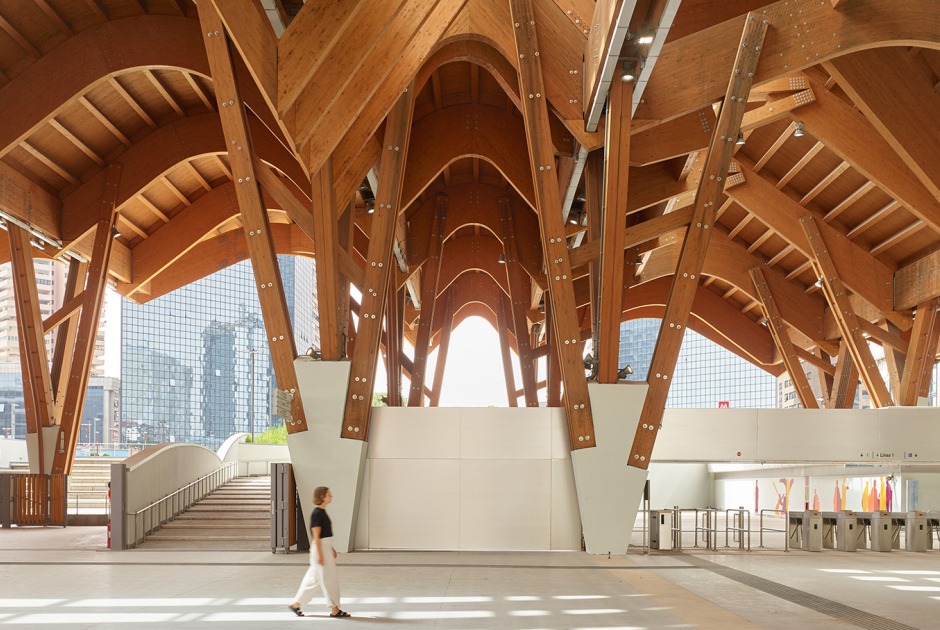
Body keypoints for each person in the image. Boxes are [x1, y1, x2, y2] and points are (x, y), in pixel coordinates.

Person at [288, 486, 350, 618]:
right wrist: (321, 554)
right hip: (320, 549)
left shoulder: (322, 511)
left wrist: (330, 548)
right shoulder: (317, 513)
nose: (331, 496)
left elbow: (324, 535)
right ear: (322, 496)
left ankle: (296, 604)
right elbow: (316, 534)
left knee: (313, 579)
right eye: (329, 494)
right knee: (329, 579)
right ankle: (335, 609)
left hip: (323, 548)